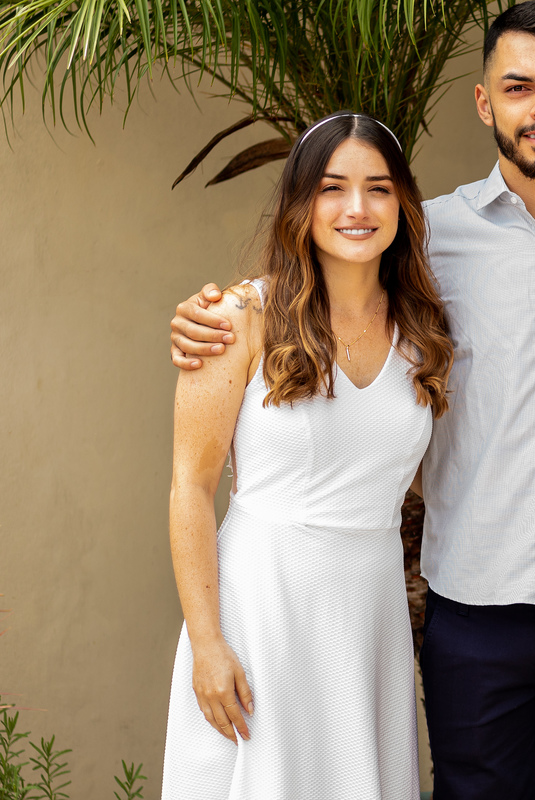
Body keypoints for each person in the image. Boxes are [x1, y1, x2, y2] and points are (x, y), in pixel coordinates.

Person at [168, 3, 535, 798]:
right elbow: (206, 459)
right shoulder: (429, 242)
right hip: (465, 609)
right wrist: (211, 317)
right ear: (484, 102)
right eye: (519, 86)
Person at [163, 111, 453, 800]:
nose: (357, 208)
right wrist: (208, 643)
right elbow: (190, 487)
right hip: (261, 607)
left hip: (369, 612)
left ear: (403, 204)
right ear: (301, 203)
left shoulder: (423, 332)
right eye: (332, 188)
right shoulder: (239, 319)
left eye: (378, 188)